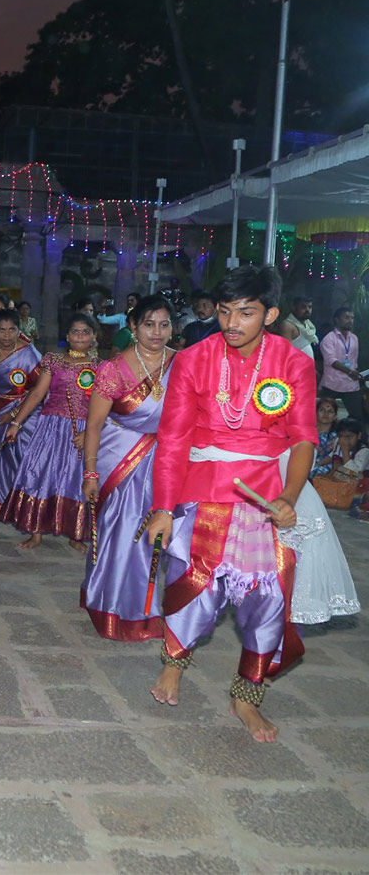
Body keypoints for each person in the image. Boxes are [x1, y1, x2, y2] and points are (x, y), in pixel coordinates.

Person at [146, 265, 315, 742]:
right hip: (206, 486)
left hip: (269, 492)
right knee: (196, 583)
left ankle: (247, 697)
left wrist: (289, 496)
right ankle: (174, 665)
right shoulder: (192, 359)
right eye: (224, 312)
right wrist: (163, 506)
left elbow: (303, 439)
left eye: (246, 312)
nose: (232, 323)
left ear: (271, 313)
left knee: (269, 599)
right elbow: (173, 440)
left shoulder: (294, 362)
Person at [80, 296, 176, 641]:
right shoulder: (114, 368)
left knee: (155, 535)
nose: (157, 332)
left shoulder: (181, 364)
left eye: (164, 324)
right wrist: (90, 473)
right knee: (119, 533)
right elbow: (94, 425)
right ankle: (111, 607)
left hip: (165, 460)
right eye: (149, 324)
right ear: (133, 328)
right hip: (118, 456)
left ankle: (143, 609)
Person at [0, 314, 100, 551]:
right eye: (75, 331)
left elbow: (103, 406)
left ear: (94, 336)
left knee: (75, 478)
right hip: (49, 428)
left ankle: (75, 533)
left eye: (86, 332)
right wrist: (17, 423)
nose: (80, 336)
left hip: (82, 430)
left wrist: (91, 434)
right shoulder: (52, 360)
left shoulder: (101, 367)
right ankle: (36, 531)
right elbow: (37, 394)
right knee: (40, 474)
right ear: (67, 336)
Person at [0, 309, 44, 511]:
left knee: (22, 456)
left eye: (11, 330)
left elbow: (39, 390)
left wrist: (14, 414)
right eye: (2, 330)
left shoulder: (30, 354)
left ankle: (21, 503)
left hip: (25, 410)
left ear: (18, 330)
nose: (6, 335)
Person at [319, 307, 364, 421]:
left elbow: (353, 360)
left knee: (357, 417)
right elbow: (330, 360)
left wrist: (356, 372)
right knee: (325, 417)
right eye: (346, 317)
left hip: (350, 384)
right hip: (332, 383)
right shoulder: (329, 338)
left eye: (352, 318)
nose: (350, 320)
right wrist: (349, 371)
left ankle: (359, 439)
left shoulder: (354, 338)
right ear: (337, 320)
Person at [310, 397, 340, 477]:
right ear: (316, 413)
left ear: (335, 416)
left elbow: (333, 457)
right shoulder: (308, 431)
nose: (325, 414)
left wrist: (314, 465)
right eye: (322, 410)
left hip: (322, 467)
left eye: (330, 411)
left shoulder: (336, 437)